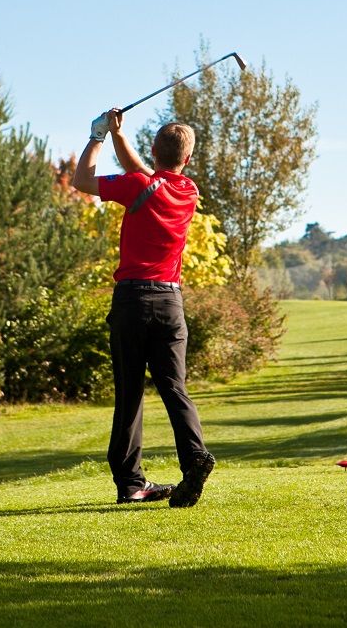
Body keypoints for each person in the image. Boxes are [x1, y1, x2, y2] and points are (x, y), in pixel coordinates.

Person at [72, 107, 216, 507]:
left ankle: (131, 483)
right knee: (175, 387)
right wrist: (119, 136)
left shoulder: (138, 184)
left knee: (130, 393)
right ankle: (194, 459)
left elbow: (81, 180)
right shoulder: (188, 192)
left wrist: (99, 136)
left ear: (153, 151)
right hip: (170, 301)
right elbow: (149, 176)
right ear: (186, 160)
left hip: (132, 300)